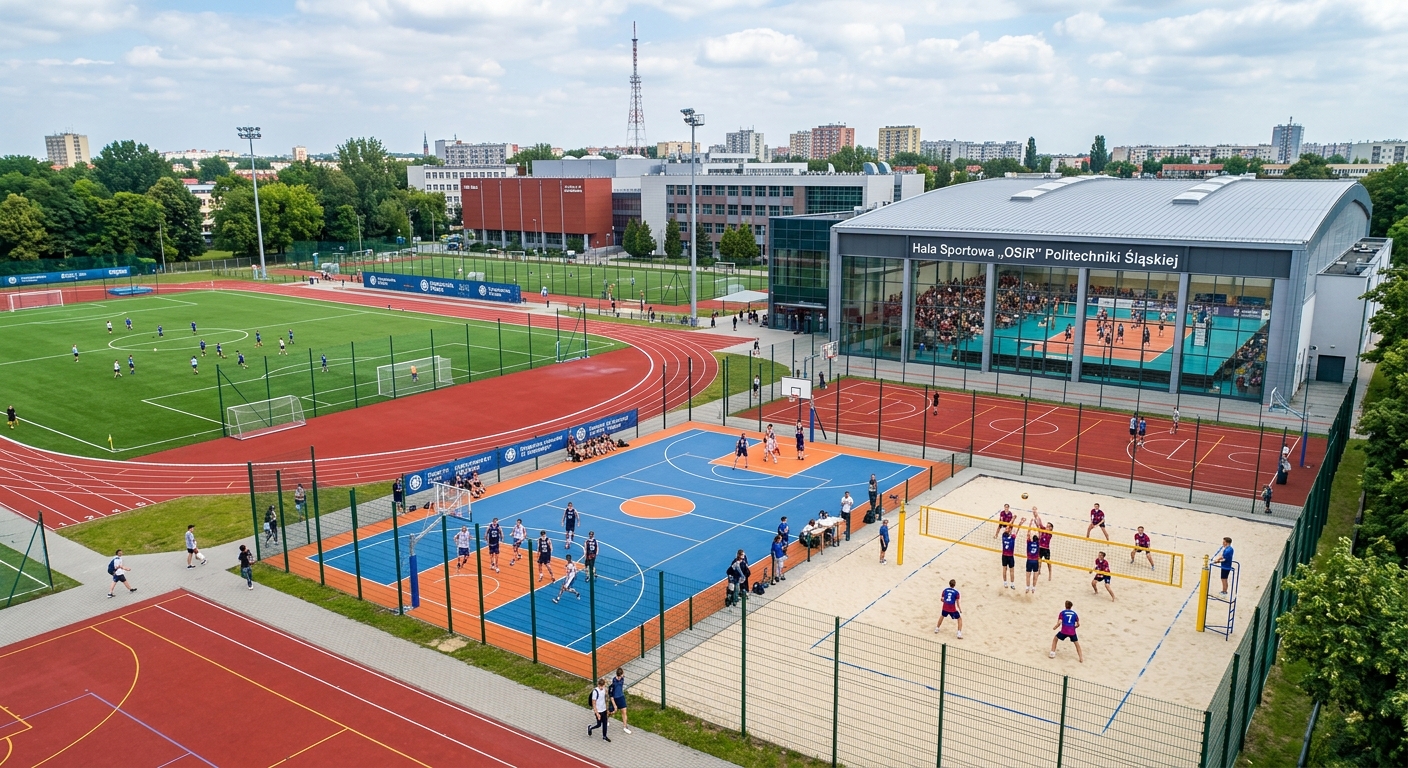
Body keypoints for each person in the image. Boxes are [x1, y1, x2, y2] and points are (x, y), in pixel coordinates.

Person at [999, 521, 1022, 590]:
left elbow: (1016, 531)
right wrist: (1014, 520)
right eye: (1006, 528)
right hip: (1005, 555)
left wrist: (1020, 523)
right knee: (1004, 569)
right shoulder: (1004, 535)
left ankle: (1012, 584)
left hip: (1010, 556)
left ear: (1010, 530)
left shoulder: (1012, 537)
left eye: (1007, 528)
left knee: (1012, 570)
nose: (1006, 529)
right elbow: (1011, 527)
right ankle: (1005, 583)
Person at [610, 668, 632, 734]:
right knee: (612, 712)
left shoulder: (622, 679)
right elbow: (612, 690)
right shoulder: (614, 680)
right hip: (615, 698)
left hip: (621, 697)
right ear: (621, 674)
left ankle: (625, 726)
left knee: (624, 711)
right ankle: (606, 719)